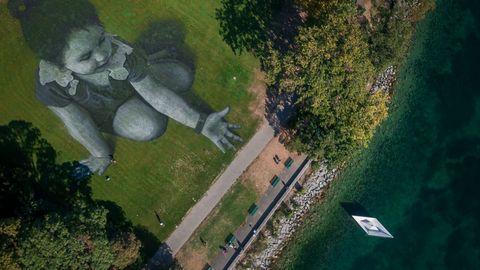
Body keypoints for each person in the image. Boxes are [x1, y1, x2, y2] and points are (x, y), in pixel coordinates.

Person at [8, 0, 242, 175]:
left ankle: (146, 64)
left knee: (182, 76)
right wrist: (100, 154)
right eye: (86, 55)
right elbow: (77, 121)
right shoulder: (51, 84)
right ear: (58, 64)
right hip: (105, 109)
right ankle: (139, 91)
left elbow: (155, 93)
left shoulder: (118, 52)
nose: (102, 55)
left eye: (101, 39)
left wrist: (199, 123)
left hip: (126, 84)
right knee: (150, 126)